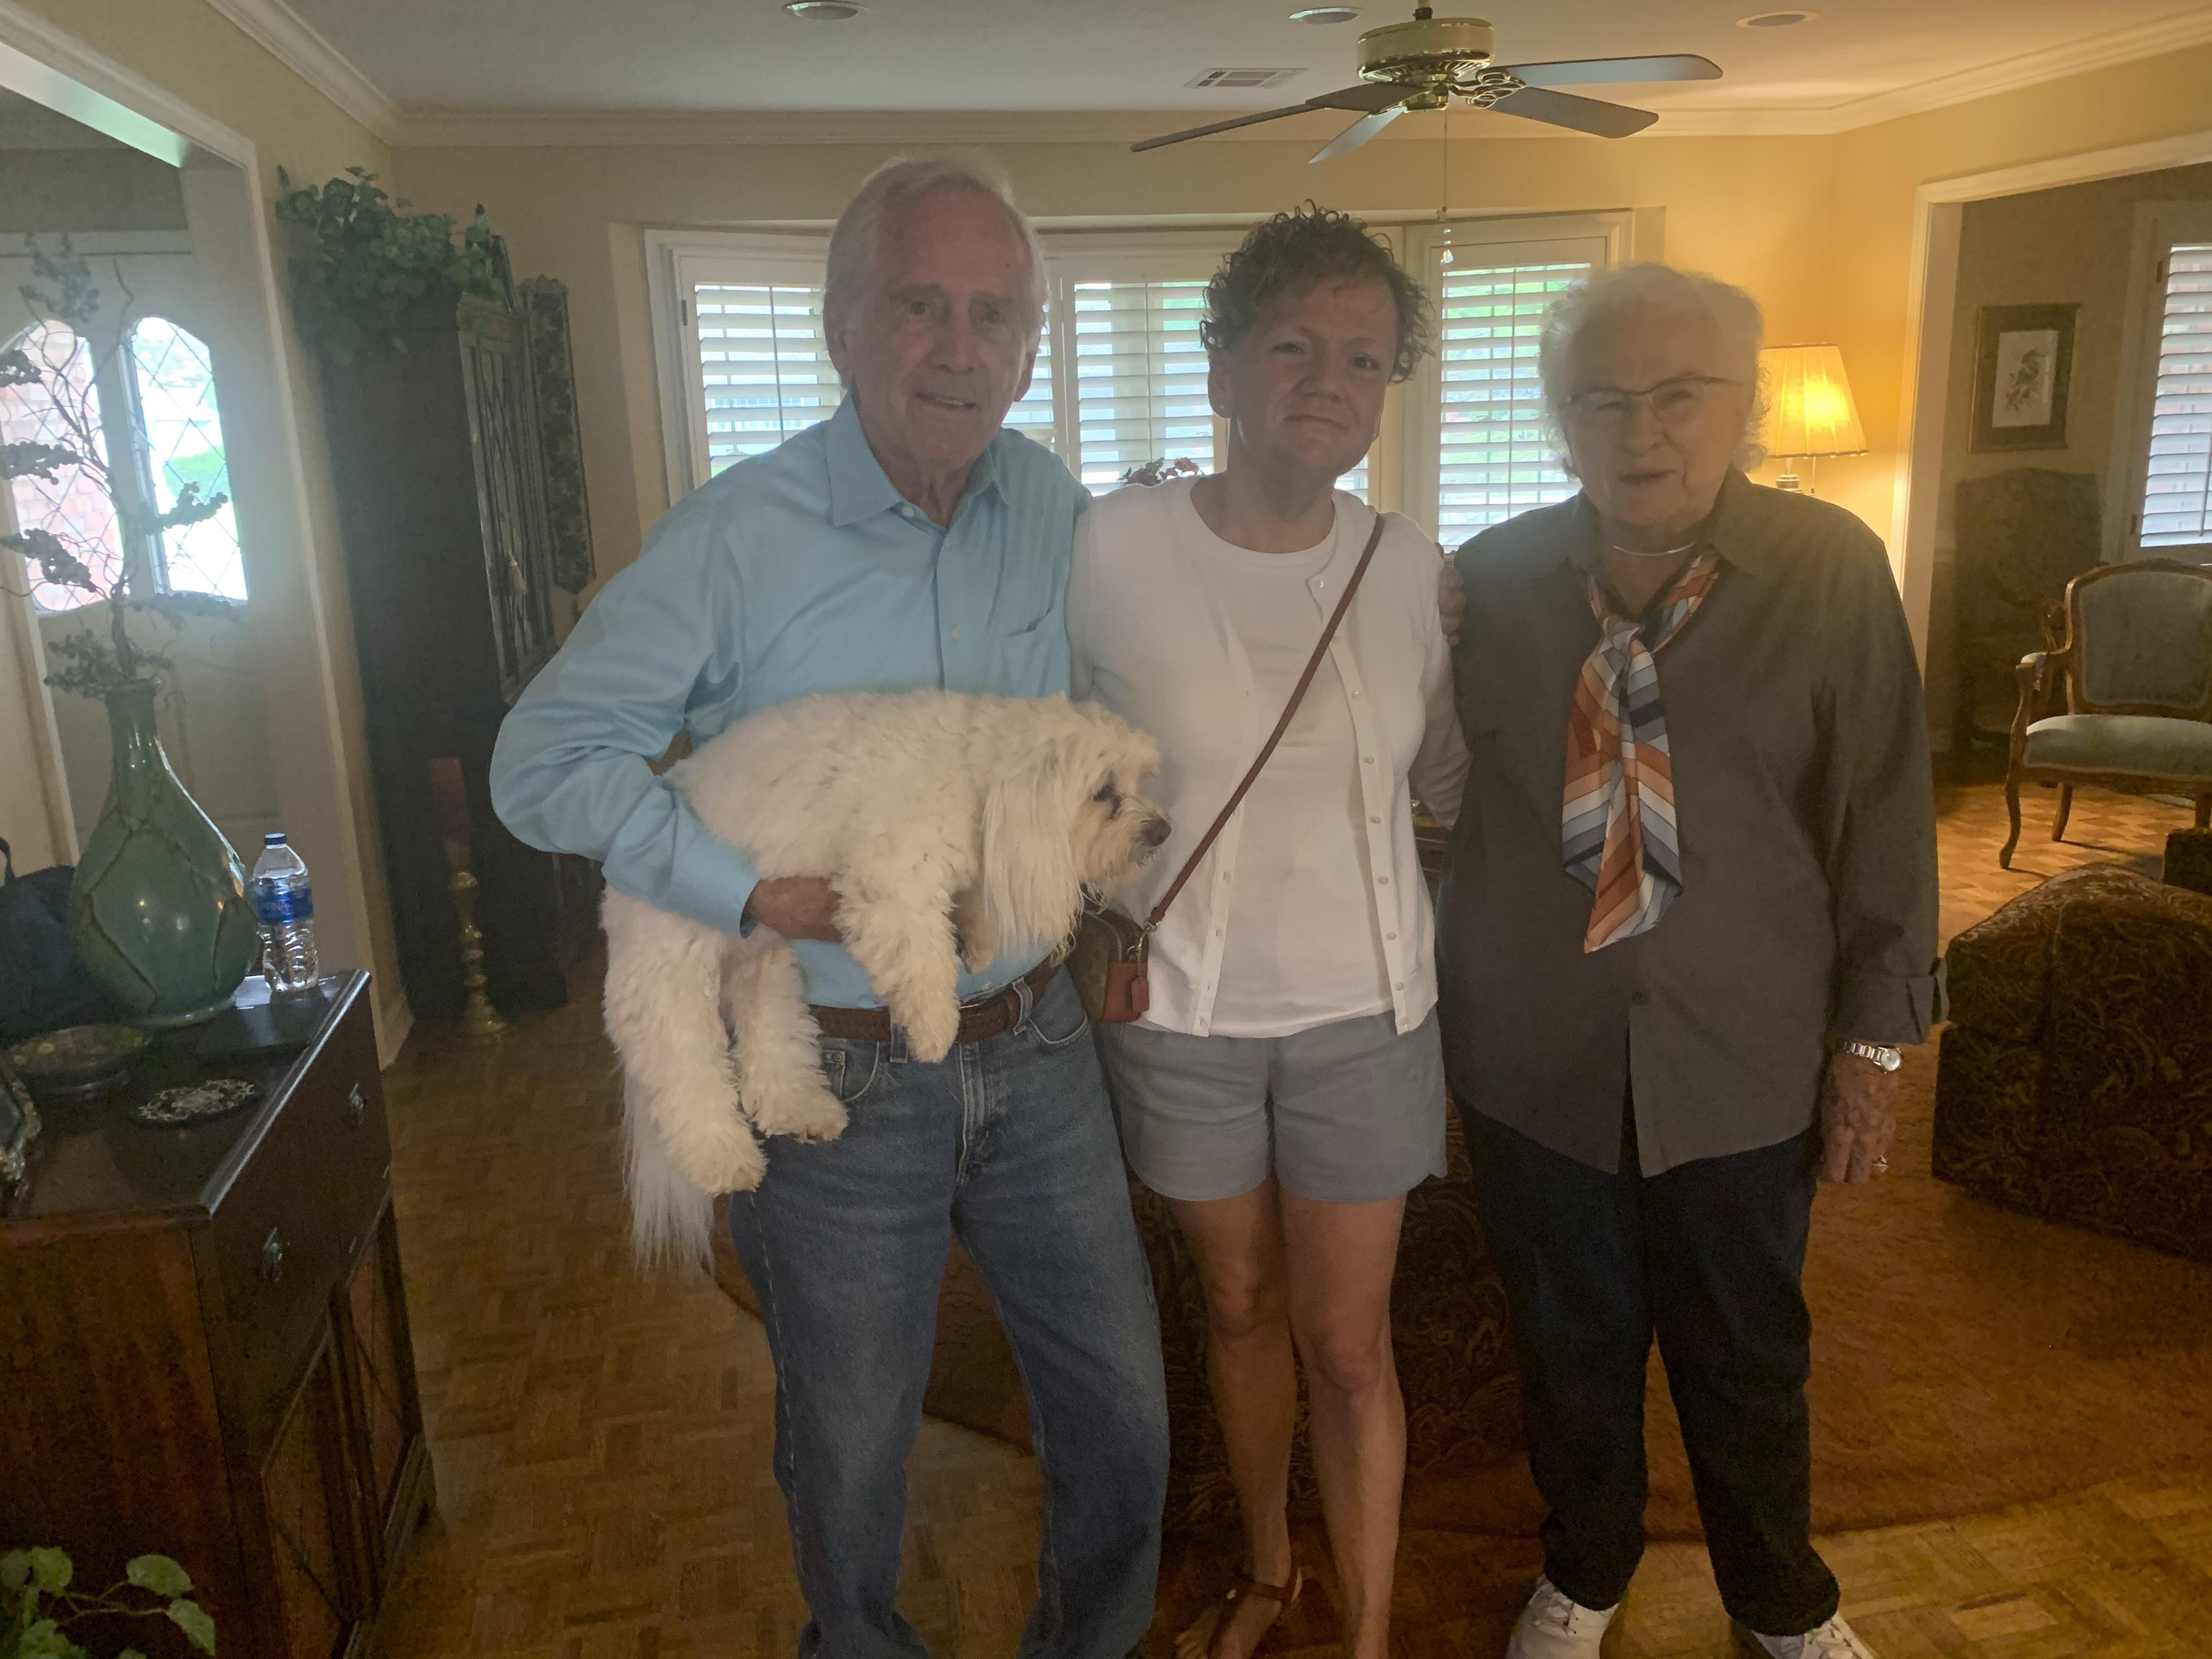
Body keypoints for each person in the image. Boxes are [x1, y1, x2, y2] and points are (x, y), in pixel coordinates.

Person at [489, 156, 1169, 1659]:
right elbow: (541, 764)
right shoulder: (737, 538)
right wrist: (741, 889)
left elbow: (1108, 720)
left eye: (999, 315)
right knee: (853, 1442)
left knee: (1123, 1405)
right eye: (920, 305)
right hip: (845, 1061)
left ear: (1032, 347)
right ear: (840, 327)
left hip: (1039, 1042)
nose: (962, 346)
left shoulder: (1052, 507)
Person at [1438, 263, 1939, 1659]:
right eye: (1603, 401)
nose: (1642, 433)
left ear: (1747, 406)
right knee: (1569, 1348)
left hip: (1742, 1054)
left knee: (1747, 1354)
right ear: (1559, 419)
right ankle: (1583, 1577)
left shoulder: (1830, 568)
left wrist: (1874, 1049)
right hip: (1534, 1054)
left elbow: (1887, 818)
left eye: (1679, 397)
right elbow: (1431, 782)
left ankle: (1779, 1601)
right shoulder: (1489, 582)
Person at [1071, 205, 1469, 1659]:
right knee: (1236, 1308)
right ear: (1224, 363)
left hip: (1367, 1013)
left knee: (1349, 1344)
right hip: (1177, 1013)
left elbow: (1445, 785)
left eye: (1365, 359)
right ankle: (1267, 1565)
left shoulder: (1410, 571)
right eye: (1295, 345)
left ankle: (1364, 1633)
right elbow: (1045, 750)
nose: (1330, 381)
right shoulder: (1107, 545)